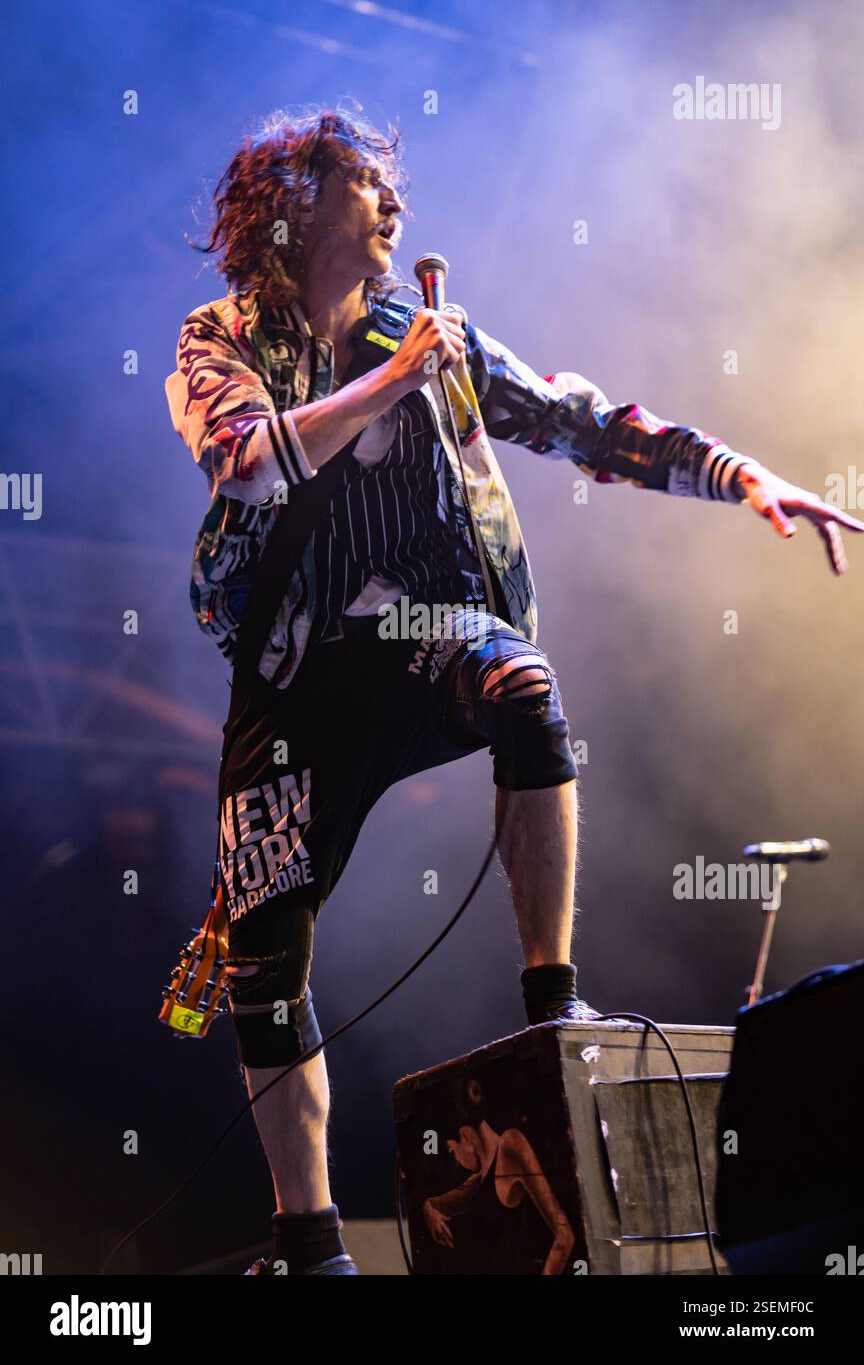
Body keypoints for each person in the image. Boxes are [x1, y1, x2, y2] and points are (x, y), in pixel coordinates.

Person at [165, 106, 862, 1276]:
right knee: (262, 964)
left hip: (423, 628)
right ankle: (312, 1243)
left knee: (523, 684)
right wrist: (394, 380)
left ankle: (553, 1005)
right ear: (297, 202)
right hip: (295, 673)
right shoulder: (217, 335)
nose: (394, 205)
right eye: (368, 185)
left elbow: (578, 419)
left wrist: (739, 475)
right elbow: (246, 458)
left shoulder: (431, 333)